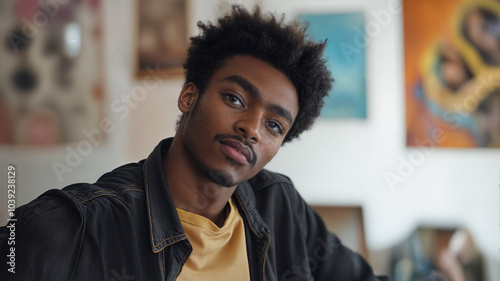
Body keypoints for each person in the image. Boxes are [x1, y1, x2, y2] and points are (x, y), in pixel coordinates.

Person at [0, 6, 389, 281]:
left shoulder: (280, 206)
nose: (252, 129)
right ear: (189, 97)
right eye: (235, 99)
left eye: (273, 125)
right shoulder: (79, 226)